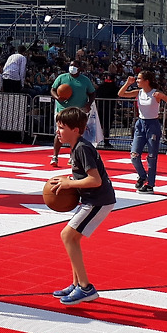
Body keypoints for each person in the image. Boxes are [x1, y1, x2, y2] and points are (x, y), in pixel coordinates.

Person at [49, 106, 116, 306]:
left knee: (67, 235)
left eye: (62, 127)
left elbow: (95, 180)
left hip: (98, 200)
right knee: (72, 239)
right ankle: (77, 284)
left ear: (76, 130)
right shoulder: (77, 146)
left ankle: (86, 288)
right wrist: (70, 180)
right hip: (93, 200)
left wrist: (69, 183)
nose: (58, 131)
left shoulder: (82, 148)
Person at [117, 69, 167, 193]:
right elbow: (121, 94)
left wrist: (162, 96)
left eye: (139, 79)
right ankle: (142, 175)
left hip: (153, 124)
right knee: (134, 155)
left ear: (147, 81)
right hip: (140, 124)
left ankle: (150, 184)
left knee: (151, 156)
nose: (137, 81)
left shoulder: (155, 93)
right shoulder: (138, 92)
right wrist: (127, 83)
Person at [49, 60, 97, 167]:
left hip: (78, 111)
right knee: (60, 133)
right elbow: (53, 90)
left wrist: (88, 104)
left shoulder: (85, 80)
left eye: (75, 66)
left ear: (79, 68)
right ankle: (55, 156)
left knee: (76, 134)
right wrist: (57, 97)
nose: (72, 67)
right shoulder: (62, 77)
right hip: (63, 110)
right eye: (71, 65)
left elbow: (92, 93)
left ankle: (73, 156)